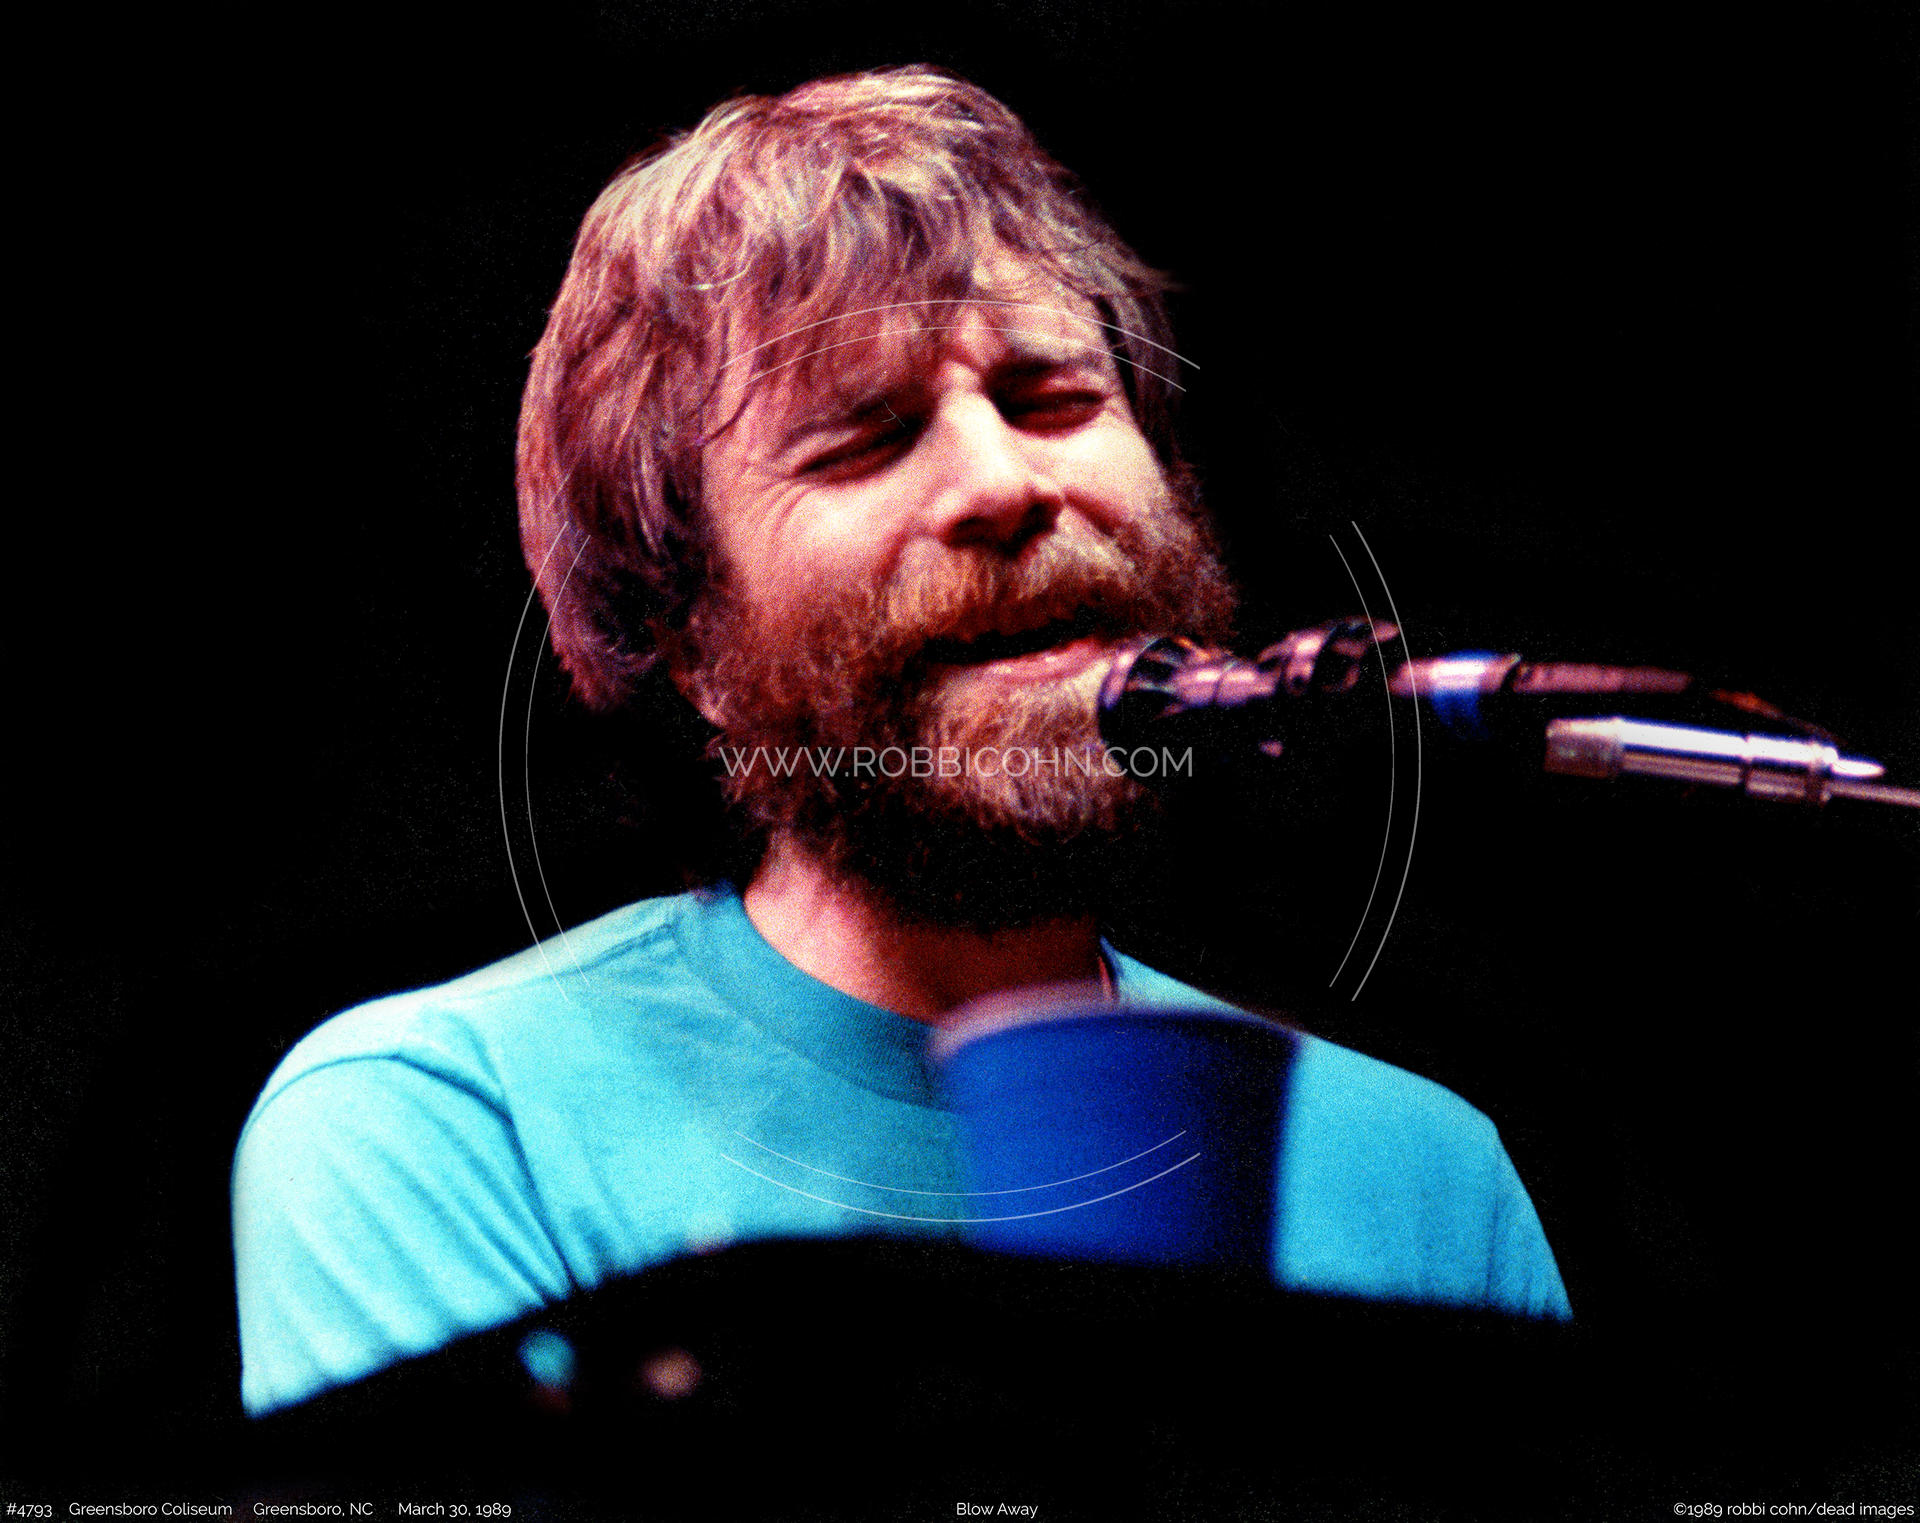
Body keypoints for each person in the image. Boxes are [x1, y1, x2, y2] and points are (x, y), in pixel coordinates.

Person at [232, 64, 1571, 1419]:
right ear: (692, 644)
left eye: (1053, 399)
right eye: (866, 442)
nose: (1005, 485)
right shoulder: (438, 1124)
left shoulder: (1430, 1176)